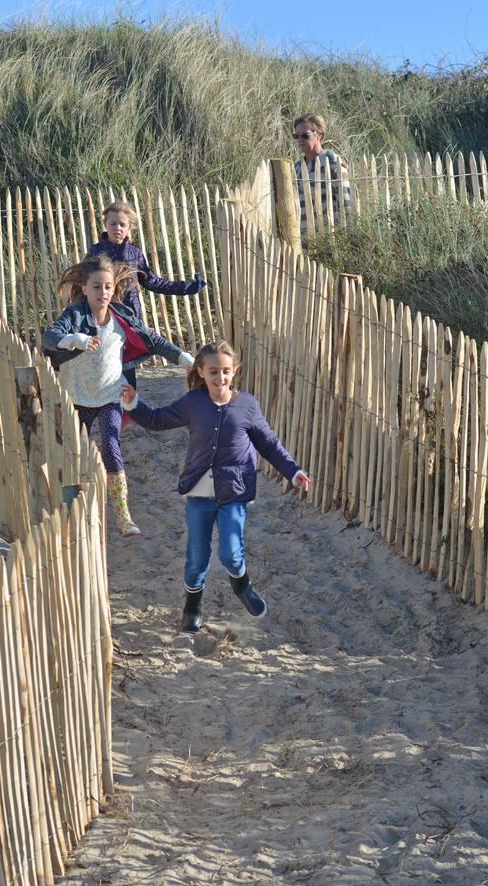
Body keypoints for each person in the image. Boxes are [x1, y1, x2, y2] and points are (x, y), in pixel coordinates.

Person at [118, 341, 312, 632]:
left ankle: (242, 585)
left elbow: (269, 444)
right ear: (201, 372)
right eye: (213, 372)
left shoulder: (247, 405)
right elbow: (158, 420)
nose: (220, 378)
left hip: (235, 491)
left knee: (230, 553)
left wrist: (293, 471)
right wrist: (133, 403)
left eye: (225, 371)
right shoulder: (193, 403)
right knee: (197, 556)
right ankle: (192, 605)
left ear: (234, 371)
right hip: (199, 491)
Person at [43, 254, 193, 537]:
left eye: (108, 286)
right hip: (76, 398)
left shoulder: (122, 316)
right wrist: (73, 339)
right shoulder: (74, 315)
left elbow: (154, 340)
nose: (103, 292)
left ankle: (123, 517)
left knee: (111, 446)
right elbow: (49, 337)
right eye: (96, 286)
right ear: (84, 288)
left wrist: (182, 358)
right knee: (72, 453)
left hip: (111, 395)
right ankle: (73, 511)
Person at [84, 200, 208, 389]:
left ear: (129, 227)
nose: (117, 228)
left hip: (130, 316)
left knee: (127, 365)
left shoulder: (134, 253)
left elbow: (151, 281)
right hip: (104, 316)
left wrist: (185, 287)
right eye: (113, 223)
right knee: (106, 361)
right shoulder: (96, 252)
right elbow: (84, 282)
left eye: (122, 224)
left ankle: (128, 403)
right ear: (105, 224)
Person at [292, 113, 354, 235]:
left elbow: (347, 203)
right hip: (303, 237)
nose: (300, 139)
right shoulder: (296, 168)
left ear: (319, 135)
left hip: (328, 237)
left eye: (305, 135)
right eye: (296, 135)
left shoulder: (332, 163)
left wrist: (346, 237)